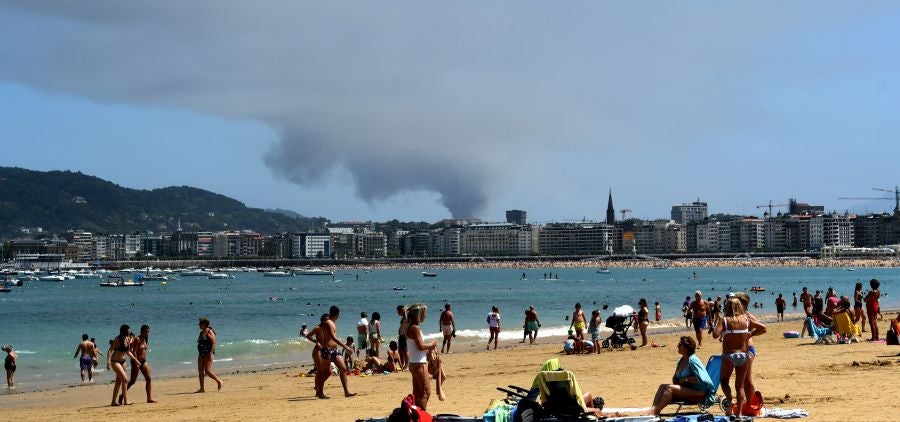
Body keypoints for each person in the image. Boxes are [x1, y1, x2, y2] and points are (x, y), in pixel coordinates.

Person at [713, 297, 765, 420]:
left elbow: (715, 334)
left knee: (724, 381)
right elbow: (763, 328)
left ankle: (730, 400)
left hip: (729, 355)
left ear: (726, 307)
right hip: (743, 355)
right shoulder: (746, 320)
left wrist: (718, 320)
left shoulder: (724, 320)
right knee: (740, 386)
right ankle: (739, 414)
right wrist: (751, 334)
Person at [645, 336, 714, 416]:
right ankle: (653, 409)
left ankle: (655, 412)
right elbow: (676, 379)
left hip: (699, 392)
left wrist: (686, 379)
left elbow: (701, 379)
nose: (678, 345)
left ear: (687, 348)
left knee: (669, 388)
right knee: (662, 386)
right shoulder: (681, 360)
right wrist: (676, 379)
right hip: (687, 389)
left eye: (680, 344)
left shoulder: (692, 360)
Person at [314, 305, 356, 398]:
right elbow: (333, 337)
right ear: (337, 314)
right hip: (327, 350)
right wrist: (346, 346)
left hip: (334, 349)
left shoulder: (332, 322)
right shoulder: (328, 322)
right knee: (325, 372)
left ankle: (346, 391)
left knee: (343, 368)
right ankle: (319, 392)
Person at [406, 303, 442, 410]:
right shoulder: (415, 328)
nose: (424, 316)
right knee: (426, 393)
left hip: (414, 362)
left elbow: (416, 348)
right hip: (419, 364)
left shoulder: (411, 327)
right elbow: (421, 346)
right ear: (418, 315)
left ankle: (416, 415)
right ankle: (421, 416)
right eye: (422, 314)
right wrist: (432, 344)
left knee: (417, 393)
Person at [108, 325, 140, 406]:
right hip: (115, 361)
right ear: (124, 331)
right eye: (128, 330)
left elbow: (128, 352)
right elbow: (110, 350)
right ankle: (126, 400)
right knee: (125, 380)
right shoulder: (118, 339)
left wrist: (136, 360)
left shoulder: (128, 339)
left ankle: (113, 402)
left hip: (123, 362)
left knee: (118, 382)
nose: (130, 331)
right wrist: (108, 362)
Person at [126, 325, 155, 403]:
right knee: (132, 381)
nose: (147, 333)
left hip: (143, 361)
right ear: (142, 331)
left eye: (148, 332)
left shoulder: (145, 339)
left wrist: (143, 360)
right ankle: (122, 396)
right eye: (146, 331)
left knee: (148, 379)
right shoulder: (137, 339)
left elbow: (144, 351)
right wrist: (136, 362)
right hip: (136, 362)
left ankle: (149, 398)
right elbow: (134, 351)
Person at [196, 317, 223, 393]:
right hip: (201, 354)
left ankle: (219, 381)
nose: (199, 325)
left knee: (207, 371)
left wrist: (210, 353)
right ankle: (202, 389)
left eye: (200, 324)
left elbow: (213, 343)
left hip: (208, 353)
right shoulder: (201, 332)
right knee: (200, 370)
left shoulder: (209, 331)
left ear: (204, 324)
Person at [306, 314, 330, 393]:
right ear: (321, 320)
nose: (326, 321)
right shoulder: (317, 328)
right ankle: (319, 391)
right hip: (318, 351)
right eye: (325, 320)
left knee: (328, 372)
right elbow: (308, 336)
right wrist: (316, 342)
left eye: (328, 320)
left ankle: (317, 386)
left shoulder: (329, 328)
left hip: (326, 350)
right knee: (320, 371)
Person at [397, 305, 410, 371]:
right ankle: (403, 365)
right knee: (401, 351)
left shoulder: (406, 315)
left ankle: (406, 366)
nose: (397, 312)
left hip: (404, 335)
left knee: (405, 351)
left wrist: (405, 310)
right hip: (401, 335)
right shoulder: (404, 316)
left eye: (398, 311)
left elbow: (406, 320)